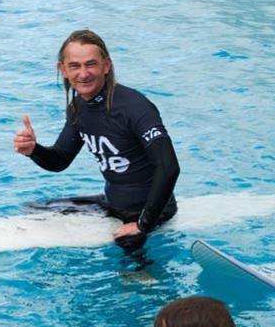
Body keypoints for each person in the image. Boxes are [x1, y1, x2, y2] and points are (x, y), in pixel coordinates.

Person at [13, 29, 180, 250]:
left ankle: (144, 277)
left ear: (106, 66)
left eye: (90, 64)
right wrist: (33, 150)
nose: (83, 73)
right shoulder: (78, 108)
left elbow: (169, 167)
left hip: (148, 210)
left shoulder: (134, 107)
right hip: (112, 202)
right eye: (75, 65)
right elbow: (60, 160)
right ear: (62, 70)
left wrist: (143, 224)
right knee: (37, 207)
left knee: (128, 252)